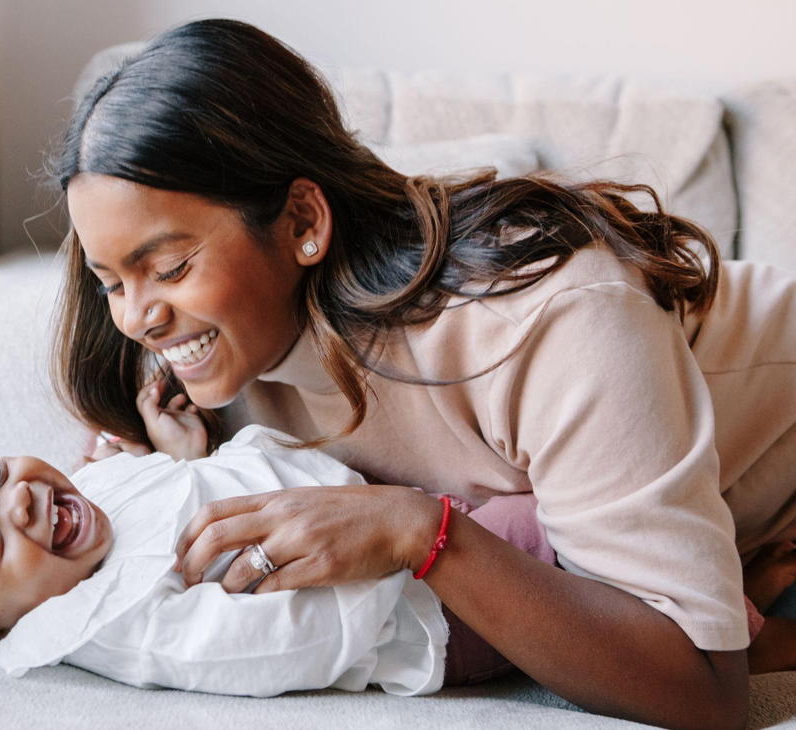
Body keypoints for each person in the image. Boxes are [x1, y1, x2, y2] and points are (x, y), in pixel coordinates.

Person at [45, 17, 796, 728]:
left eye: (170, 267)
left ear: (304, 223)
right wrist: (182, 477)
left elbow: (705, 693)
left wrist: (423, 533)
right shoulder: (212, 365)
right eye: (112, 281)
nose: (137, 318)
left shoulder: (540, 318)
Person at [0, 375, 580, 692]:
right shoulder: (123, 622)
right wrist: (389, 557)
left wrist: (179, 457)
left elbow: (173, 502)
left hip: (402, 509)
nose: (20, 501)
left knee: (558, 457)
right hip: (433, 599)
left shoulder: (85, 504)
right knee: (582, 533)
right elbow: (277, 648)